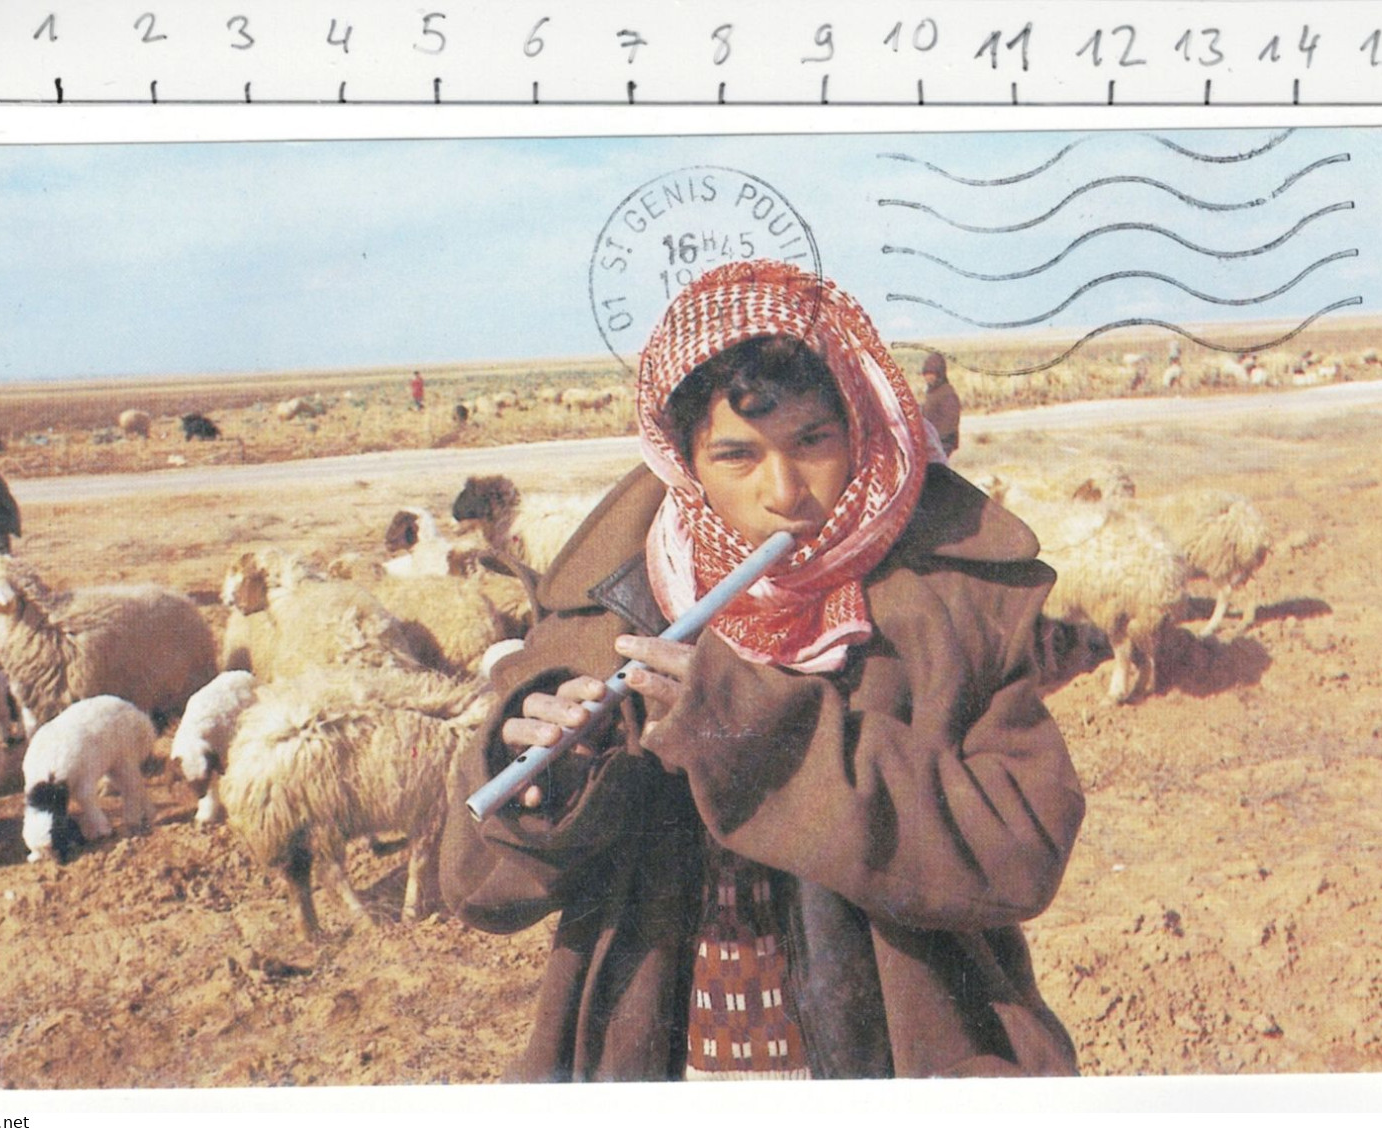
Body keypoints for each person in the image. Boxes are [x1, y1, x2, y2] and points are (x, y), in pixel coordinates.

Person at [440, 260, 1084, 1082]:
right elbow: (478, 890)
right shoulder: (613, 602)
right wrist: (545, 786)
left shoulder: (948, 600)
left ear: (858, 424)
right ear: (684, 461)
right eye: (738, 455)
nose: (784, 491)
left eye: (812, 440)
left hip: (901, 1057)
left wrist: (754, 733)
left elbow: (1019, 852)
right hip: (666, 1060)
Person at [920, 350, 961, 458]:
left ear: (939, 374)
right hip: (932, 441)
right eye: (926, 374)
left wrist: (935, 440)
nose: (928, 377)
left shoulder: (947, 393)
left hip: (943, 442)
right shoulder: (932, 392)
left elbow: (950, 422)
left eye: (931, 374)